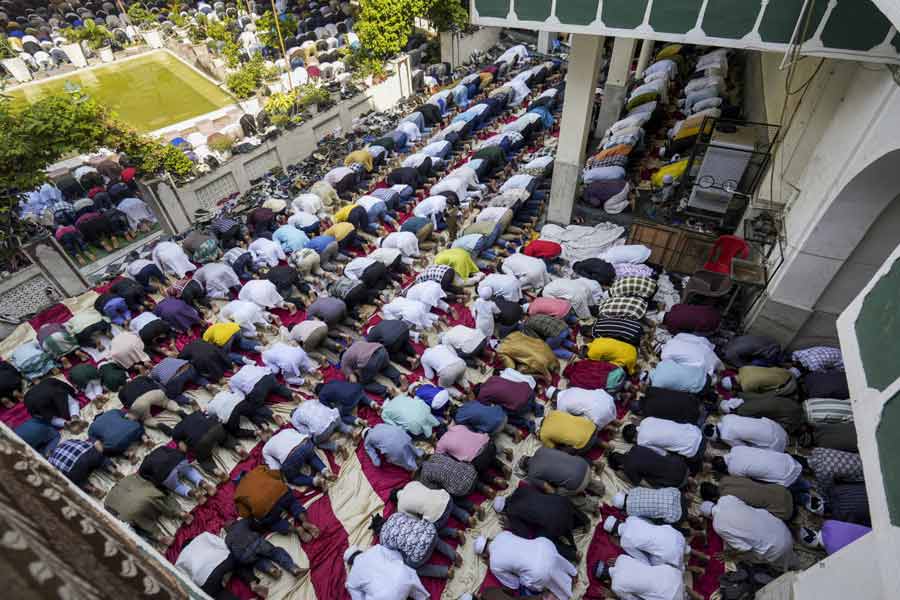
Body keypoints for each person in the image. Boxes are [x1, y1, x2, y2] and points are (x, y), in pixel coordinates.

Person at [493, 486, 590, 562]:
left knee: (540, 539)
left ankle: (573, 554)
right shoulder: (521, 489)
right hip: (564, 504)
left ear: (502, 512)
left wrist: (511, 526)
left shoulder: (511, 513)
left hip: (557, 523)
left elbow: (526, 534)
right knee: (558, 502)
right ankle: (585, 521)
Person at [699, 495, 798, 570]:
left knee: (789, 566)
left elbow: (745, 549)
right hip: (781, 528)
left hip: (775, 549)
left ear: (709, 517)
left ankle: (794, 567)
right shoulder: (727, 498)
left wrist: (729, 555)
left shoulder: (717, 525)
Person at [474, 531, 577, 600]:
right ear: (488, 539)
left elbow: (513, 584)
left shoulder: (493, 564)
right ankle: (572, 573)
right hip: (546, 546)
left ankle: (550, 596)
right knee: (544, 560)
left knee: (525, 586)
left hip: (539, 572)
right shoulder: (502, 534)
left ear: (484, 555)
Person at [233, 465, 321, 541]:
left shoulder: (238, 494)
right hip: (282, 493)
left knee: (273, 523)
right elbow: (278, 474)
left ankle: (297, 529)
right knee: (292, 503)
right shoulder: (258, 470)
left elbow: (246, 514)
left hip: (266, 509)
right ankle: (305, 521)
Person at [105, 474, 191, 546]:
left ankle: (158, 536)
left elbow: (114, 517)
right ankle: (179, 513)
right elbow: (148, 482)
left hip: (132, 514)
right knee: (162, 496)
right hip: (148, 499)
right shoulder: (129, 478)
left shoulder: (107, 501)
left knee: (135, 525)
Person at [176, 532, 267, 600]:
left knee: (217, 594)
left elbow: (186, 579)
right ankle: (253, 584)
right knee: (237, 563)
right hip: (221, 560)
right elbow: (223, 544)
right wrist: (230, 555)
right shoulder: (202, 537)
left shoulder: (181, 559)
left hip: (206, 578)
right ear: (193, 539)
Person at [369, 512, 462, 579]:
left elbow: (395, 555)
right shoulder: (394, 515)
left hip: (421, 553)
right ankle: (454, 555)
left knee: (411, 568)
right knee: (433, 538)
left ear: (377, 532)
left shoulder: (383, 539)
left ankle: (445, 572)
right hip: (430, 532)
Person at [603, 515, 708, 570]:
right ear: (620, 521)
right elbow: (650, 524)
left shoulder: (625, 542)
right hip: (675, 535)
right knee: (666, 542)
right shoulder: (631, 519)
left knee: (652, 564)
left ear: (615, 534)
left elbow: (643, 560)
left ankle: (692, 569)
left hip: (671, 554)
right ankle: (704, 556)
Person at [160, 412, 248, 477]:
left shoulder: (176, 431)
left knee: (204, 459)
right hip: (215, 428)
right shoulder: (195, 414)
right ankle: (237, 447)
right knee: (225, 438)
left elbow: (183, 448)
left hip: (201, 441)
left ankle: (216, 470)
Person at [225, 518, 306, 582]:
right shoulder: (242, 522)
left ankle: (271, 569)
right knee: (276, 552)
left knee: (258, 561)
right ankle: (293, 569)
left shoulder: (227, 539)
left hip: (245, 557)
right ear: (234, 522)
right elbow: (256, 525)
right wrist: (260, 531)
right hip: (257, 543)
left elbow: (233, 553)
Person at [594, 554, 700, 600]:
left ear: (606, 581)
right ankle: (695, 595)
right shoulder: (621, 559)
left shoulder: (616, 586)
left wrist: (615, 596)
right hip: (673, 574)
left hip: (671, 596)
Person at [344, 545, 429, 600]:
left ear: (350, 563)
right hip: (404, 580)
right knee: (403, 569)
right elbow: (397, 557)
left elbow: (358, 598)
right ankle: (422, 597)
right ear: (359, 551)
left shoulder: (351, 580)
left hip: (387, 597)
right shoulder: (376, 548)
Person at [621, 417, 705, 473]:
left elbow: (662, 453)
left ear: (633, 440)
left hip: (693, 449)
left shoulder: (641, 441)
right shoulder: (646, 420)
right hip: (695, 432)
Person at [262, 428, 334, 489]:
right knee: (312, 457)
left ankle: (317, 481)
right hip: (305, 444)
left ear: (264, 440)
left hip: (291, 457)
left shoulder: (265, 448)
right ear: (272, 432)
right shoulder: (286, 430)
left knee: (292, 478)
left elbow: (275, 467)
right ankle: (325, 471)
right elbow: (299, 435)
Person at [390, 480, 477, 529]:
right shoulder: (411, 483)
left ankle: (455, 532)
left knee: (429, 529)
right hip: (446, 497)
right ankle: (467, 517)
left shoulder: (400, 507)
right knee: (451, 507)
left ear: (395, 501)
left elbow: (416, 520)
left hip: (438, 517)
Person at [138, 445, 215, 499]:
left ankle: (195, 494)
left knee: (177, 486)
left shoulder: (143, 466)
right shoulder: (160, 448)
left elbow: (147, 478)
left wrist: (159, 483)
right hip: (178, 461)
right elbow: (174, 451)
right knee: (189, 471)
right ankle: (204, 484)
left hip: (165, 474)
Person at [699, 477, 794, 521]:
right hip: (782, 490)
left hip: (783, 510)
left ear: (713, 498)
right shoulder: (725, 479)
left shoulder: (726, 500)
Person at [48, 438, 116, 494]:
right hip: (85, 453)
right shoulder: (66, 442)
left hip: (72, 469)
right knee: (101, 460)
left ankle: (92, 489)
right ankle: (112, 469)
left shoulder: (50, 460)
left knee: (79, 482)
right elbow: (83, 442)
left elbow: (57, 474)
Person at [341, 340, 407, 396]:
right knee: (385, 367)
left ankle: (386, 390)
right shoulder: (357, 343)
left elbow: (353, 380)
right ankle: (400, 377)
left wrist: (358, 379)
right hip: (382, 350)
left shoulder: (343, 361)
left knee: (364, 383)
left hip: (369, 361)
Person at [607, 446, 691, 489]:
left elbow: (643, 484)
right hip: (682, 465)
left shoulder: (628, 468)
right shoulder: (635, 448)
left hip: (678, 481)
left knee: (649, 481)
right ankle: (691, 480)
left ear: (619, 466)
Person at [703, 414, 788, 452]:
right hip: (773, 426)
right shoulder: (726, 417)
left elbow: (743, 447)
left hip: (775, 442)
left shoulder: (725, 436)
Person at [551, 386, 617, 429]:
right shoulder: (571, 388)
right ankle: (617, 421)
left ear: (554, 399)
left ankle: (610, 428)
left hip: (599, 415)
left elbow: (566, 420)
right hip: (606, 398)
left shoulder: (561, 405)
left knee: (580, 421)